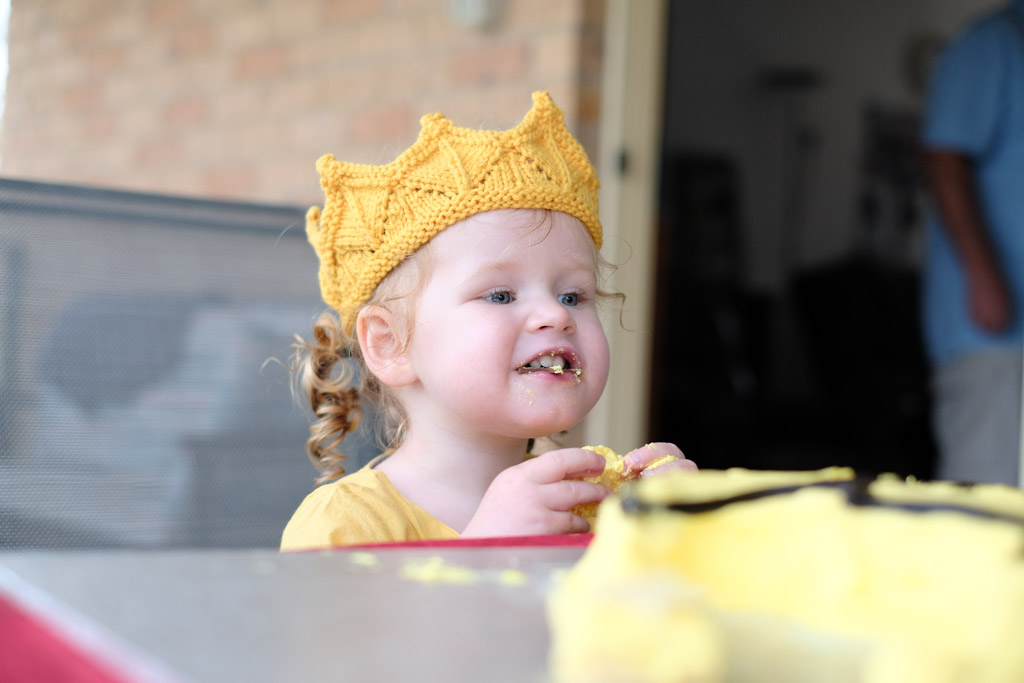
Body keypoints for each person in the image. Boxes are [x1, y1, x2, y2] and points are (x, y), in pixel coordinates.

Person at [280, 92, 697, 550]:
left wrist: (680, 541)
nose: (556, 314)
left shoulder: (592, 500)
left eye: (573, 296)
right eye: (500, 295)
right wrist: (482, 549)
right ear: (390, 343)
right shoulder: (343, 525)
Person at [921, 0, 1024, 486]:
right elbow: (945, 157)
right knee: (984, 499)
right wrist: (983, 275)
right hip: (992, 337)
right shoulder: (993, 44)